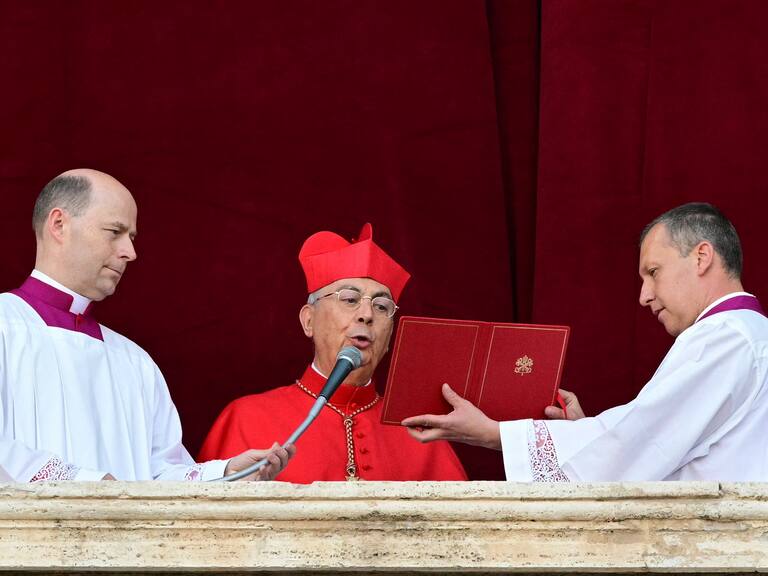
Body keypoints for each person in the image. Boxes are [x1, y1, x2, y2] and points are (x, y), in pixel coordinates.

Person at [404, 203, 768, 481]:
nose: (644, 295)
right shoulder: (747, 333)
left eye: (653, 273)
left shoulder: (725, 337)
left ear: (702, 257)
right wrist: (580, 432)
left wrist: (494, 434)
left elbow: (635, 443)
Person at [0, 169, 293, 482]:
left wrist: (226, 474)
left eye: (132, 237)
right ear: (59, 225)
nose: (130, 252)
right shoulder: (6, 325)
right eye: (115, 231)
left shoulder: (134, 361)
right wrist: (87, 485)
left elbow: (159, 476)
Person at [199, 223, 467, 482]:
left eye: (382, 306)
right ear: (308, 321)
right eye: (349, 300)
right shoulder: (246, 419)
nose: (366, 315)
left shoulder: (420, 432)